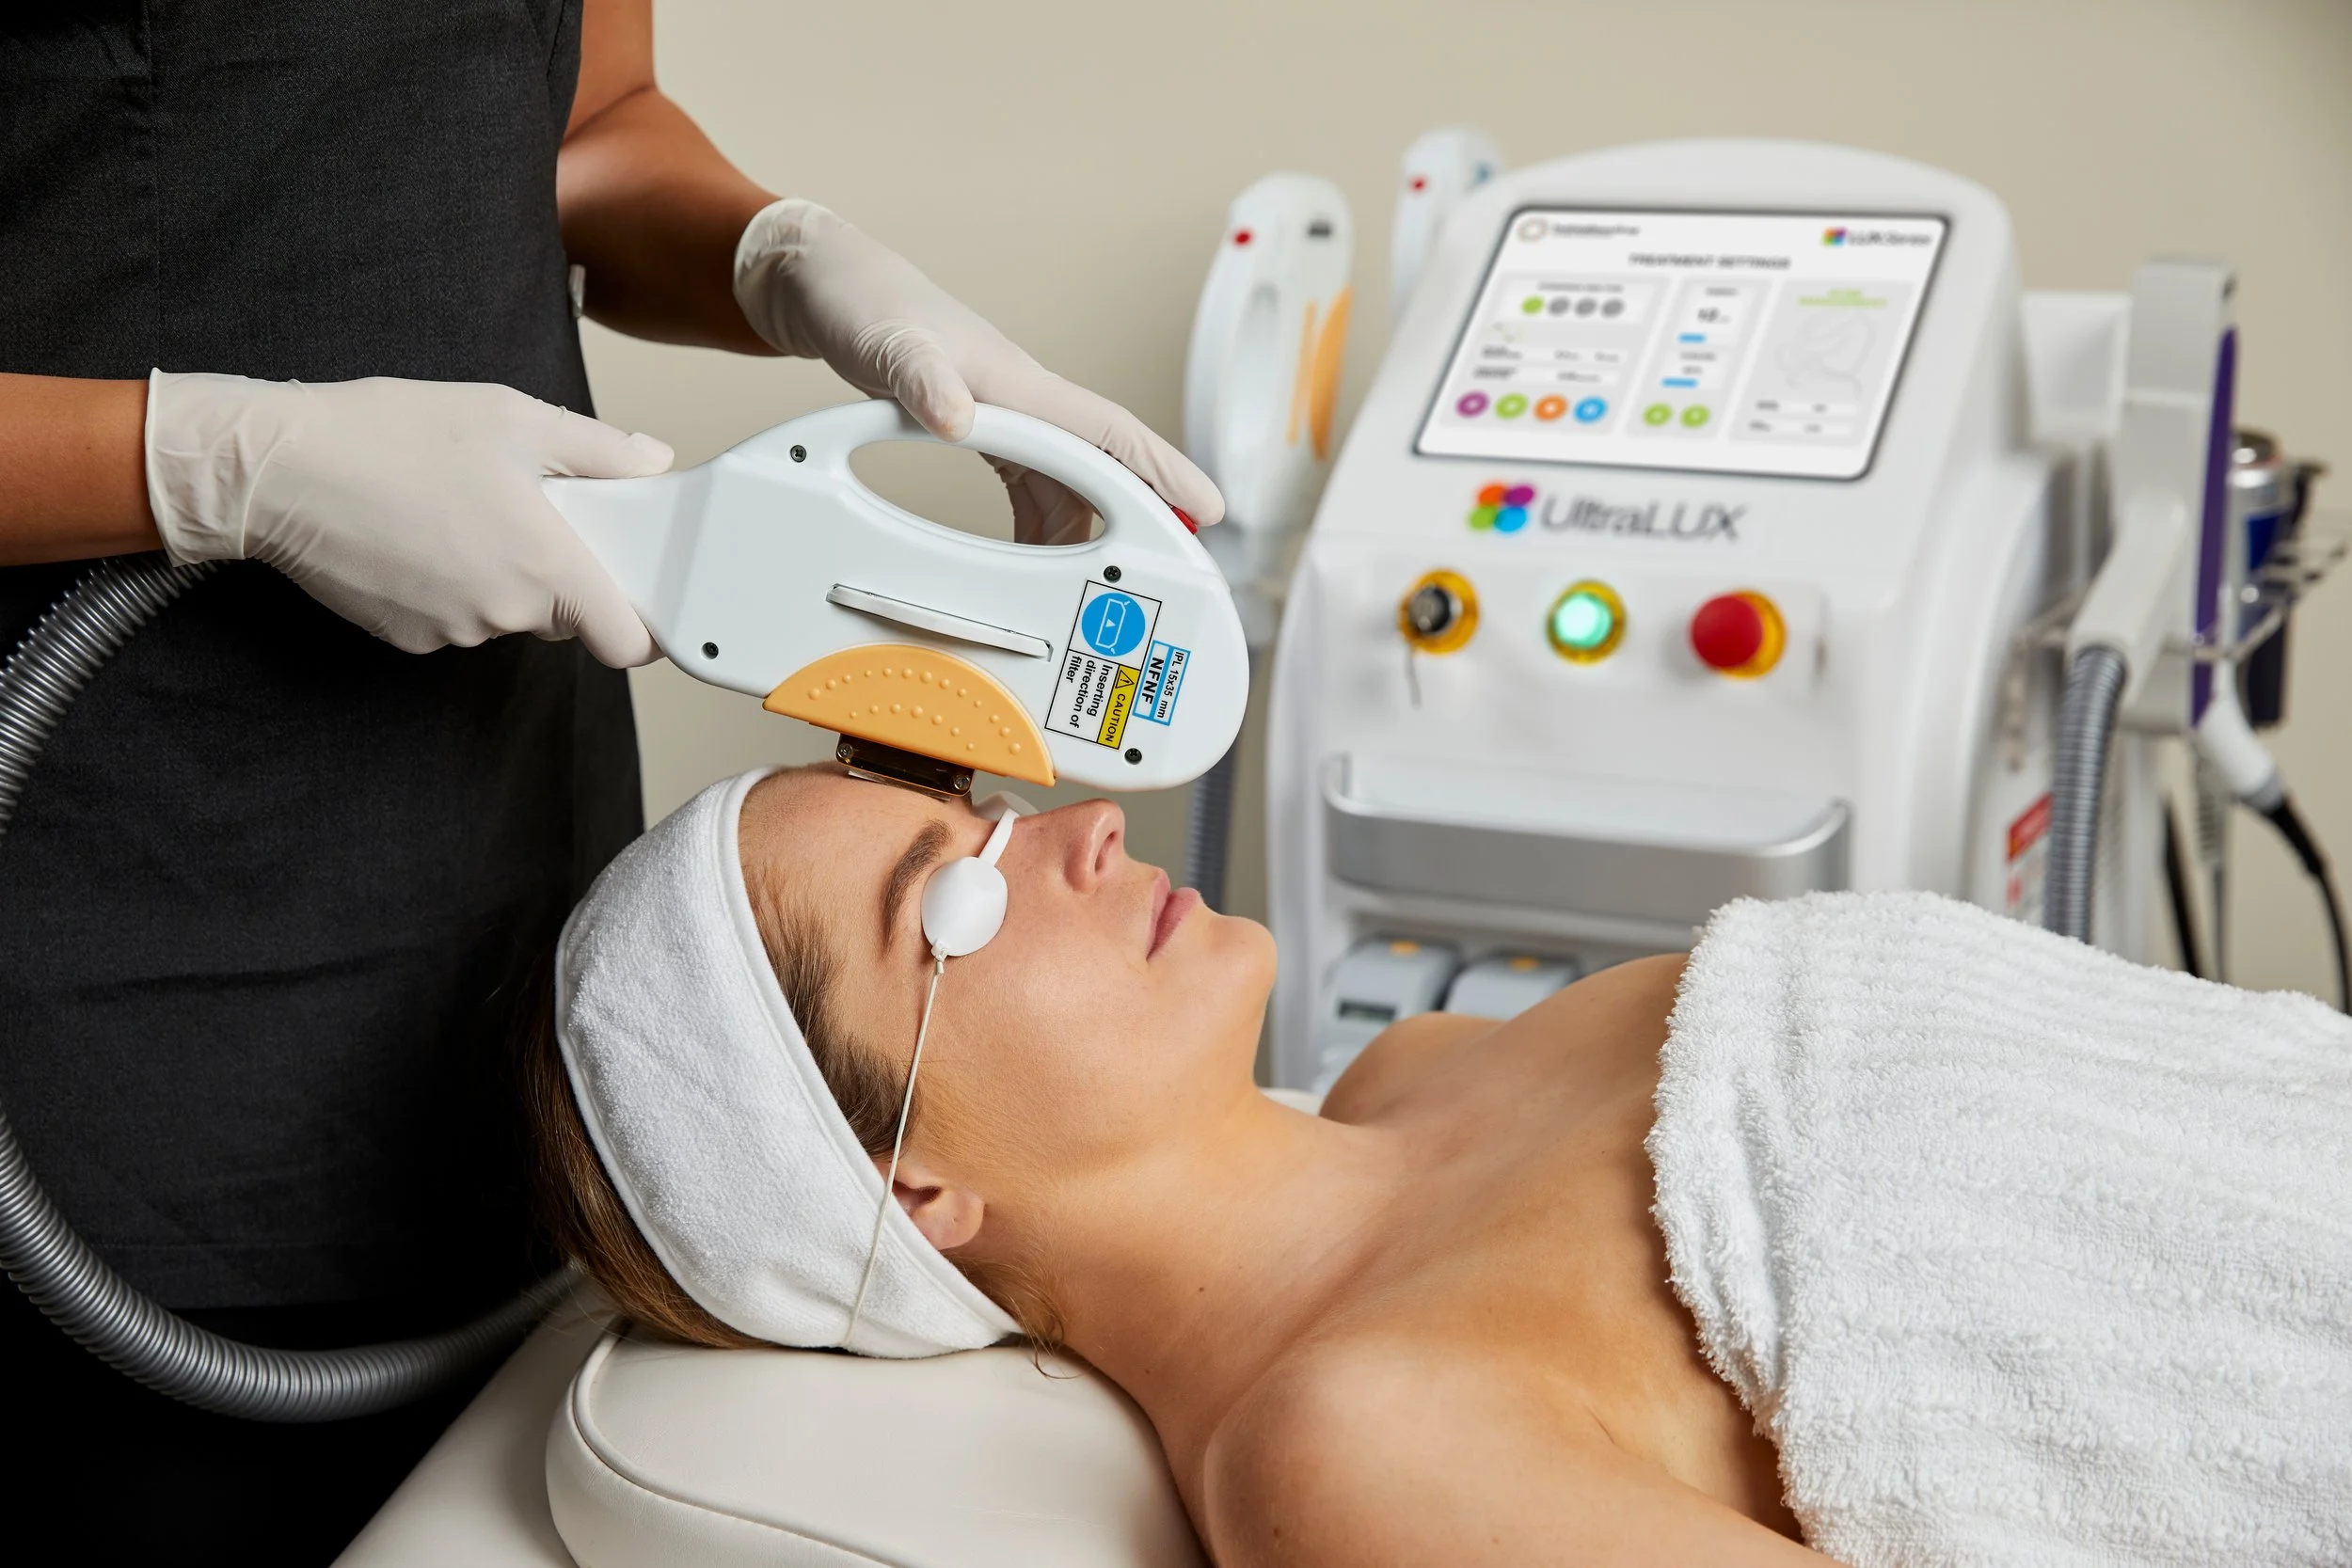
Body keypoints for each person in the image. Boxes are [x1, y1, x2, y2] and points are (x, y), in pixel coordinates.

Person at [0, 2, 1216, 1559]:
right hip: (87, 926)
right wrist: (210, 459)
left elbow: (582, 127)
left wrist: (790, 259)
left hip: (489, 832)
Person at [532, 766, 2352, 1567]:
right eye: (953, 893)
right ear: (906, 1192)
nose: (1079, 829)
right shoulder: (1348, 1455)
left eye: (987, 807)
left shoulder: (1425, 1071)